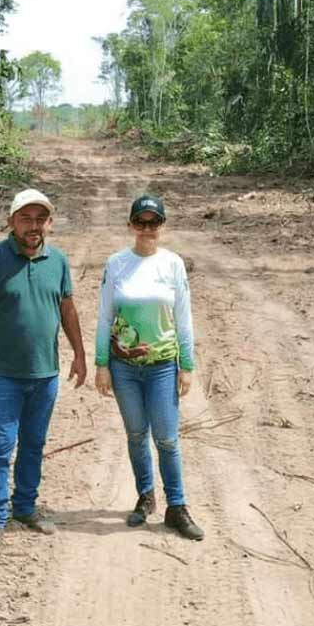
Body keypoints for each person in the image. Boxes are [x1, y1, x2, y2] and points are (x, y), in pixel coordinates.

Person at [0, 188, 88, 555]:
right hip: (3, 375)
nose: (33, 226)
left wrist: (79, 354)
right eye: (25, 219)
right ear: (11, 222)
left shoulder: (58, 261)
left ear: (50, 223)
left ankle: (25, 507)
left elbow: (67, 309)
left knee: (34, 444)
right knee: (0, 447)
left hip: (45, 374)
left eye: (40, 219)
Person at [93, 194, 204, 541]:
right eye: (140, 222)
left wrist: (187, 364)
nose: (146, 228)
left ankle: (177, 506)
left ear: (162, 226)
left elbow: (183, 318)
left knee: (167, 438)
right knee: (137, 434)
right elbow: (104, 316)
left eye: (153, 222)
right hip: (124, 367)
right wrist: (101, 363)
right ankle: (145, 496)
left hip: (162, 366)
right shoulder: (116, 264)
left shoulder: (173, 264)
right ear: (130, 225)